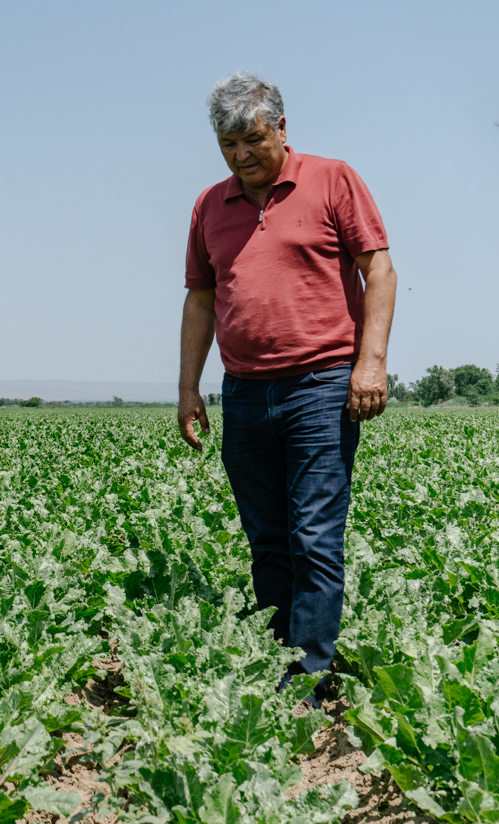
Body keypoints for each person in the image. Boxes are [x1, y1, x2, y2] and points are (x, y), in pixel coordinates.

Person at [177, 72, 397, 706]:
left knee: (313, 533)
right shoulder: (207, 206)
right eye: (227, 144)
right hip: (243, 392)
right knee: (267, 535)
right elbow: (199, 298)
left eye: (252, 139)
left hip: (321, 385)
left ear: (280, 128)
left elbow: (379, 270)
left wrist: (371, 363)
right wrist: (189, 386)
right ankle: (278, 654)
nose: (241, 155)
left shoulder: (332, 179)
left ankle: (309, 676)